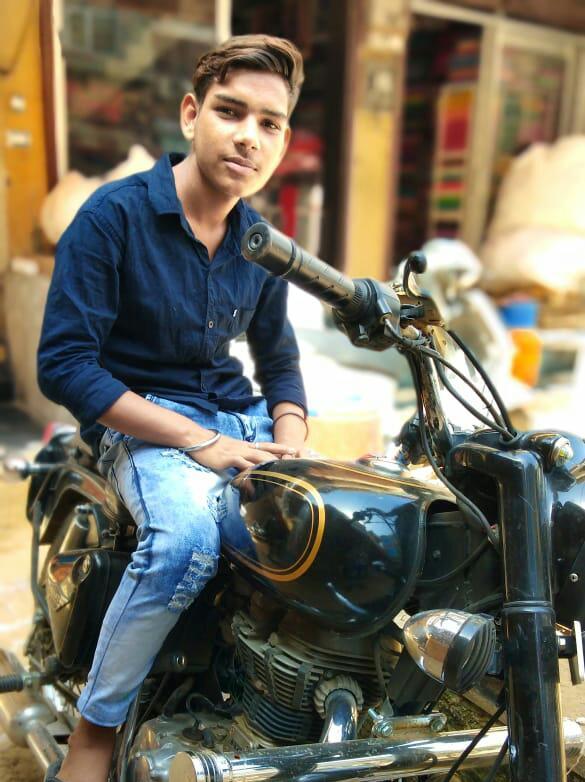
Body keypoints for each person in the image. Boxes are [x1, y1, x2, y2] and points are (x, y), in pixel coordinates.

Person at [37, 34, 308, 782]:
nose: (249, 136)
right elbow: (64, 364)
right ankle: (96, 730)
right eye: (230, 112)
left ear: (283, 143)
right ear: (192, 114)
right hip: (141, 422)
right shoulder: (112, 217)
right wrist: (195, 440)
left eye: (270, 123)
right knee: (185, 542)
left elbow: (281, 365)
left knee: (334, 532)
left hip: (240, 423)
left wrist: (291, 440)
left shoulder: (261, 244)